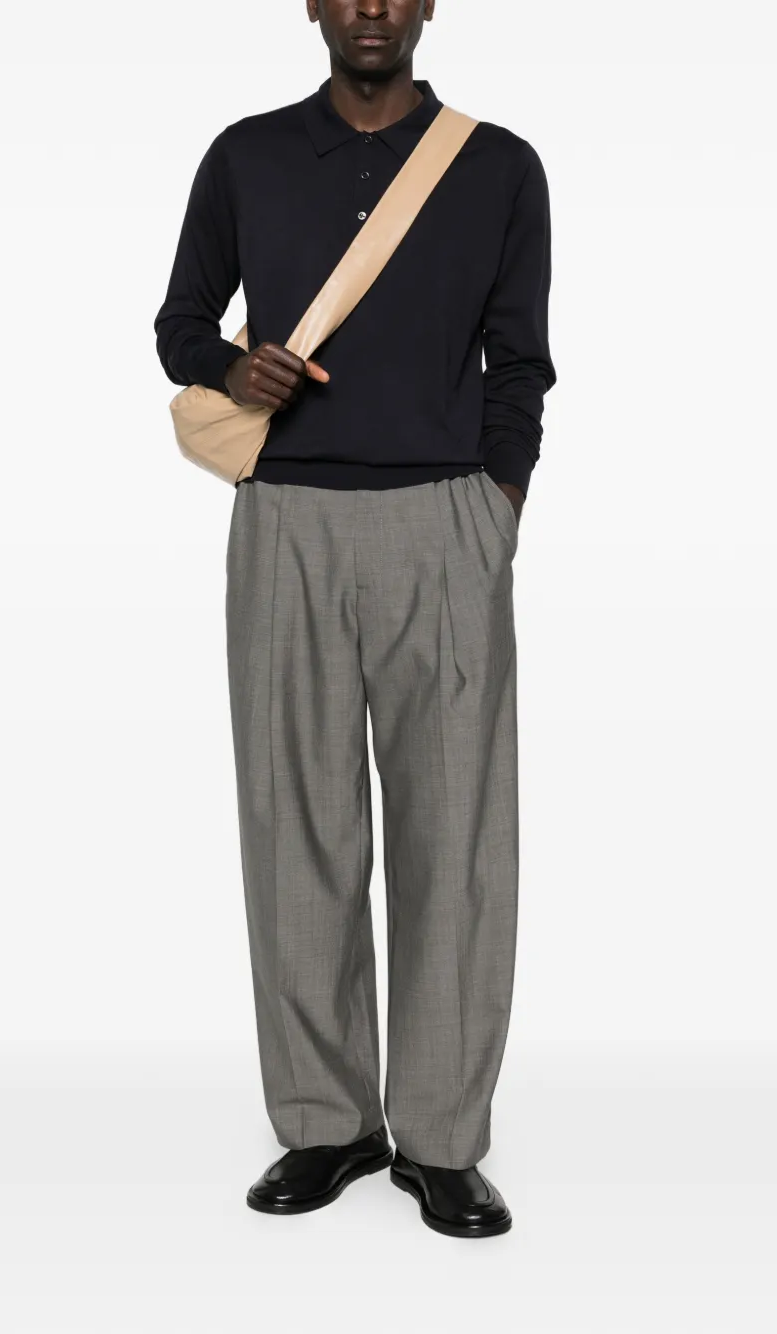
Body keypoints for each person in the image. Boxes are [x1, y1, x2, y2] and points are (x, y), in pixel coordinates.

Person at [153, 0, 555, 1239]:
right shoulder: (246, 155)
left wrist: (493, 510)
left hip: (445, 520)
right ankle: (327, 1122)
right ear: (313, 5)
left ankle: (440, 1137)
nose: (371, 6)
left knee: (456, 837)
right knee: (297, 825)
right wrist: (232, 367)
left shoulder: (498, 165)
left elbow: (520, 361)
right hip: (286, 520)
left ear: (427, 4)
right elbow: (177, 324)